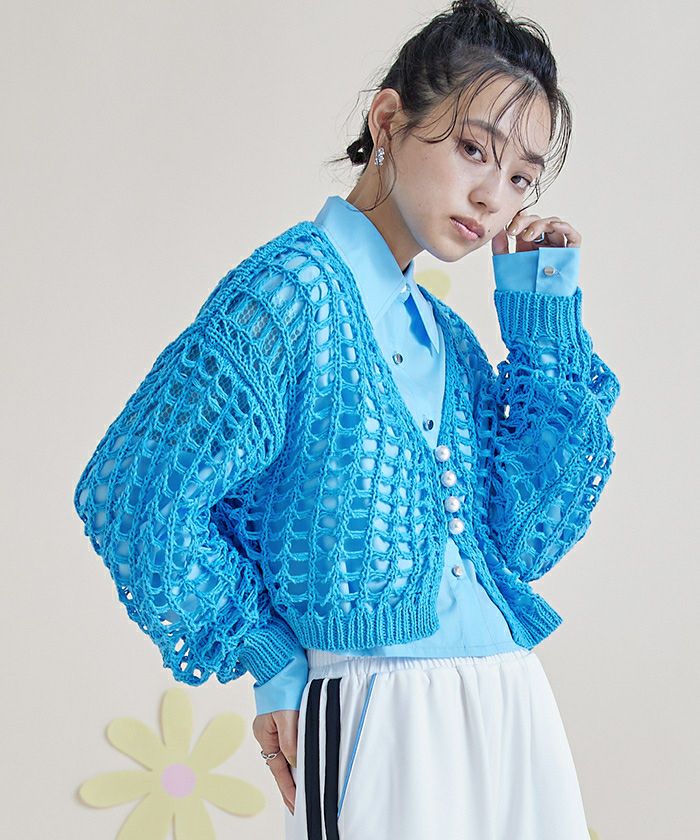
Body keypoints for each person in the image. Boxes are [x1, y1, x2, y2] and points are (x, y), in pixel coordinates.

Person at [72, 1, 621, 838]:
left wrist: (540, 318)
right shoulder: (288, 296)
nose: (492, 196)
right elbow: (137, 495)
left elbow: (526, 536)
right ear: (389, 120)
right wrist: (266, 656)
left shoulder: (445, 335)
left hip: (511, 705)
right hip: (376, 719)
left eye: (521, 178)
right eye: (474, 149)